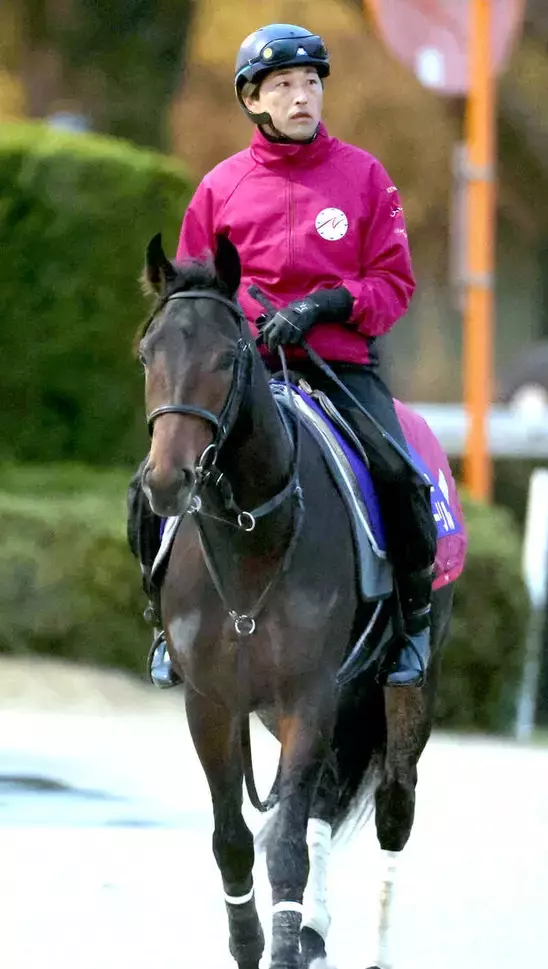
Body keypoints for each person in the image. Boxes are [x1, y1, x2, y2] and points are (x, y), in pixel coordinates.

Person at [129, 22, 437, 689]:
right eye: (284, 86)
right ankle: (166, 624)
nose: (302, 97)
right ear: (253, 101)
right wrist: (241, 328)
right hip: (244, 374)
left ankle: (411, 625)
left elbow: (394, 283)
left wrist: (326, 305)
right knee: (158, 476)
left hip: (340, 368)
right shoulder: (219, 188)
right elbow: (191, 296)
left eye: (311, 83)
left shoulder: (365, 177)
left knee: (398, 473)